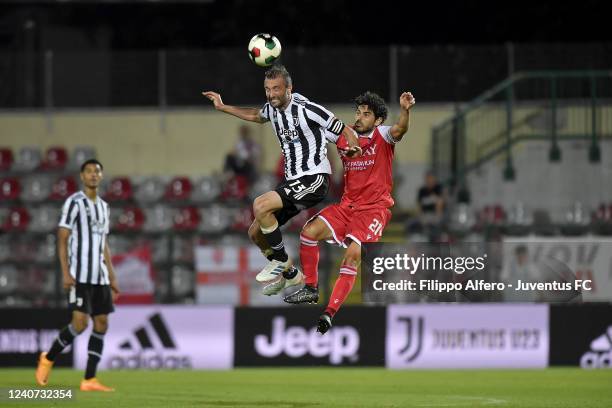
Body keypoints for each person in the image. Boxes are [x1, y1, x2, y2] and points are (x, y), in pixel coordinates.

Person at [203, 64, 361, 294]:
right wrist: (222, 106)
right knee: (255, 233)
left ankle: (279, 261)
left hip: (314, 178)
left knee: (260, 204)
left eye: (276, 89)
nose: (271, 94)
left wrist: (354, 147)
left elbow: (344, 129)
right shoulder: (273, 109)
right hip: (293, 182)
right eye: (267, 89)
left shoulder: (308, 109)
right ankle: (290, 274)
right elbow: (257, 115)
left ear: (289, 88)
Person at [284, 91, 416, 334]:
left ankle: (329, 312)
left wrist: (405, 110)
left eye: (366, 114)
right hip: (348, 207)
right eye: (358, 112)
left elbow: (400, 129)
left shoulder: (383, 135)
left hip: (374, 209)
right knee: (308, 232)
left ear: (377, 120)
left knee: (352, 255)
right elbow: (317, 125)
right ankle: (311, 288)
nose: (360, 117)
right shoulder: (344, 136)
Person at [35, 159, 119, 392]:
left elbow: (104, 243)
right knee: (80, 324)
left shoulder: (104, 207)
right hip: (79, 275)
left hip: (100, 276)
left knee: (102, 323)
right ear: (82, 176)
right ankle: (48, 357)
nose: (93, 175)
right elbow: (62, 238)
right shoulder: (74, 203)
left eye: (97, 171)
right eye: (89, 171)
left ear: (101, 177)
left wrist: (112, 275)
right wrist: (65, 272)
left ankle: (89, 379)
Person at [416, 170, 445, 240]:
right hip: (425, 216)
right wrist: (421, 218)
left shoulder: (439, 188)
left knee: (436, 226)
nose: (429, 180)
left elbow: (440, 204)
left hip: (435, 216)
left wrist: (437, 218)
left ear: (434, 179)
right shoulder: (422, 190)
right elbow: (419, 206)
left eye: (431, 178)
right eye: (427, 178)